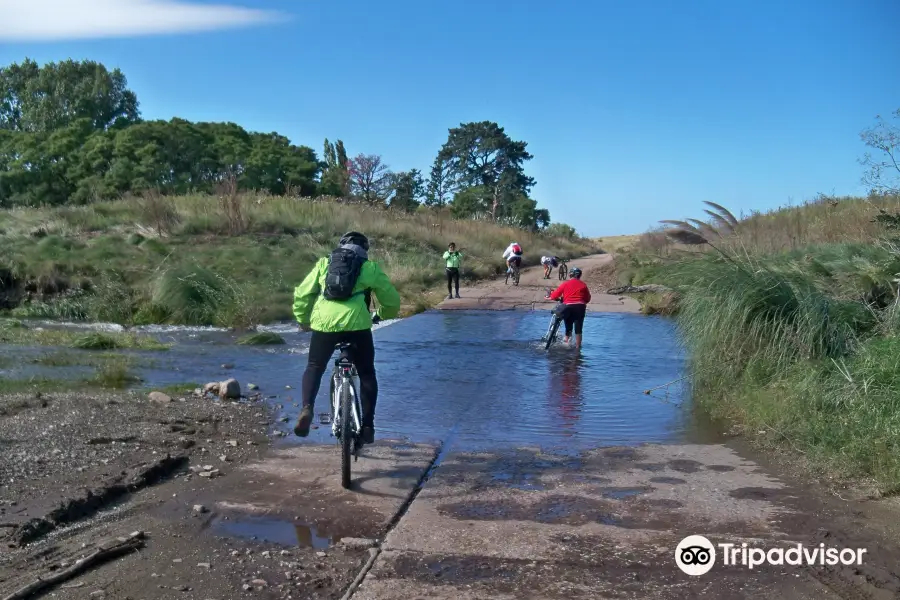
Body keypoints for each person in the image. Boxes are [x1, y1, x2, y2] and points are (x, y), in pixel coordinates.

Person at [291, 231, 401, 444]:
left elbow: (302, 294)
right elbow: (392, 301)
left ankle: (307, 408)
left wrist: (303, 318)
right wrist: (382, 315)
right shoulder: (370, 267)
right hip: (358, 326)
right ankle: (368, 426)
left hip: (324, 324)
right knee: (367, 374)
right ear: (364, 250)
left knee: (314, 366)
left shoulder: (325, 263)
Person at [545, 267, 591, 349]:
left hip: (568, 306)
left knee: (568, 326)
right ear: (579, 276)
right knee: (578, 329)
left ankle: (566, 344)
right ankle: (578, 349)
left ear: (570, 275)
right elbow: (587, 299)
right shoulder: (583, 285)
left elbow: (555, 295)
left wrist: (550, 296)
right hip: (580, 307)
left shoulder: (566, 284)